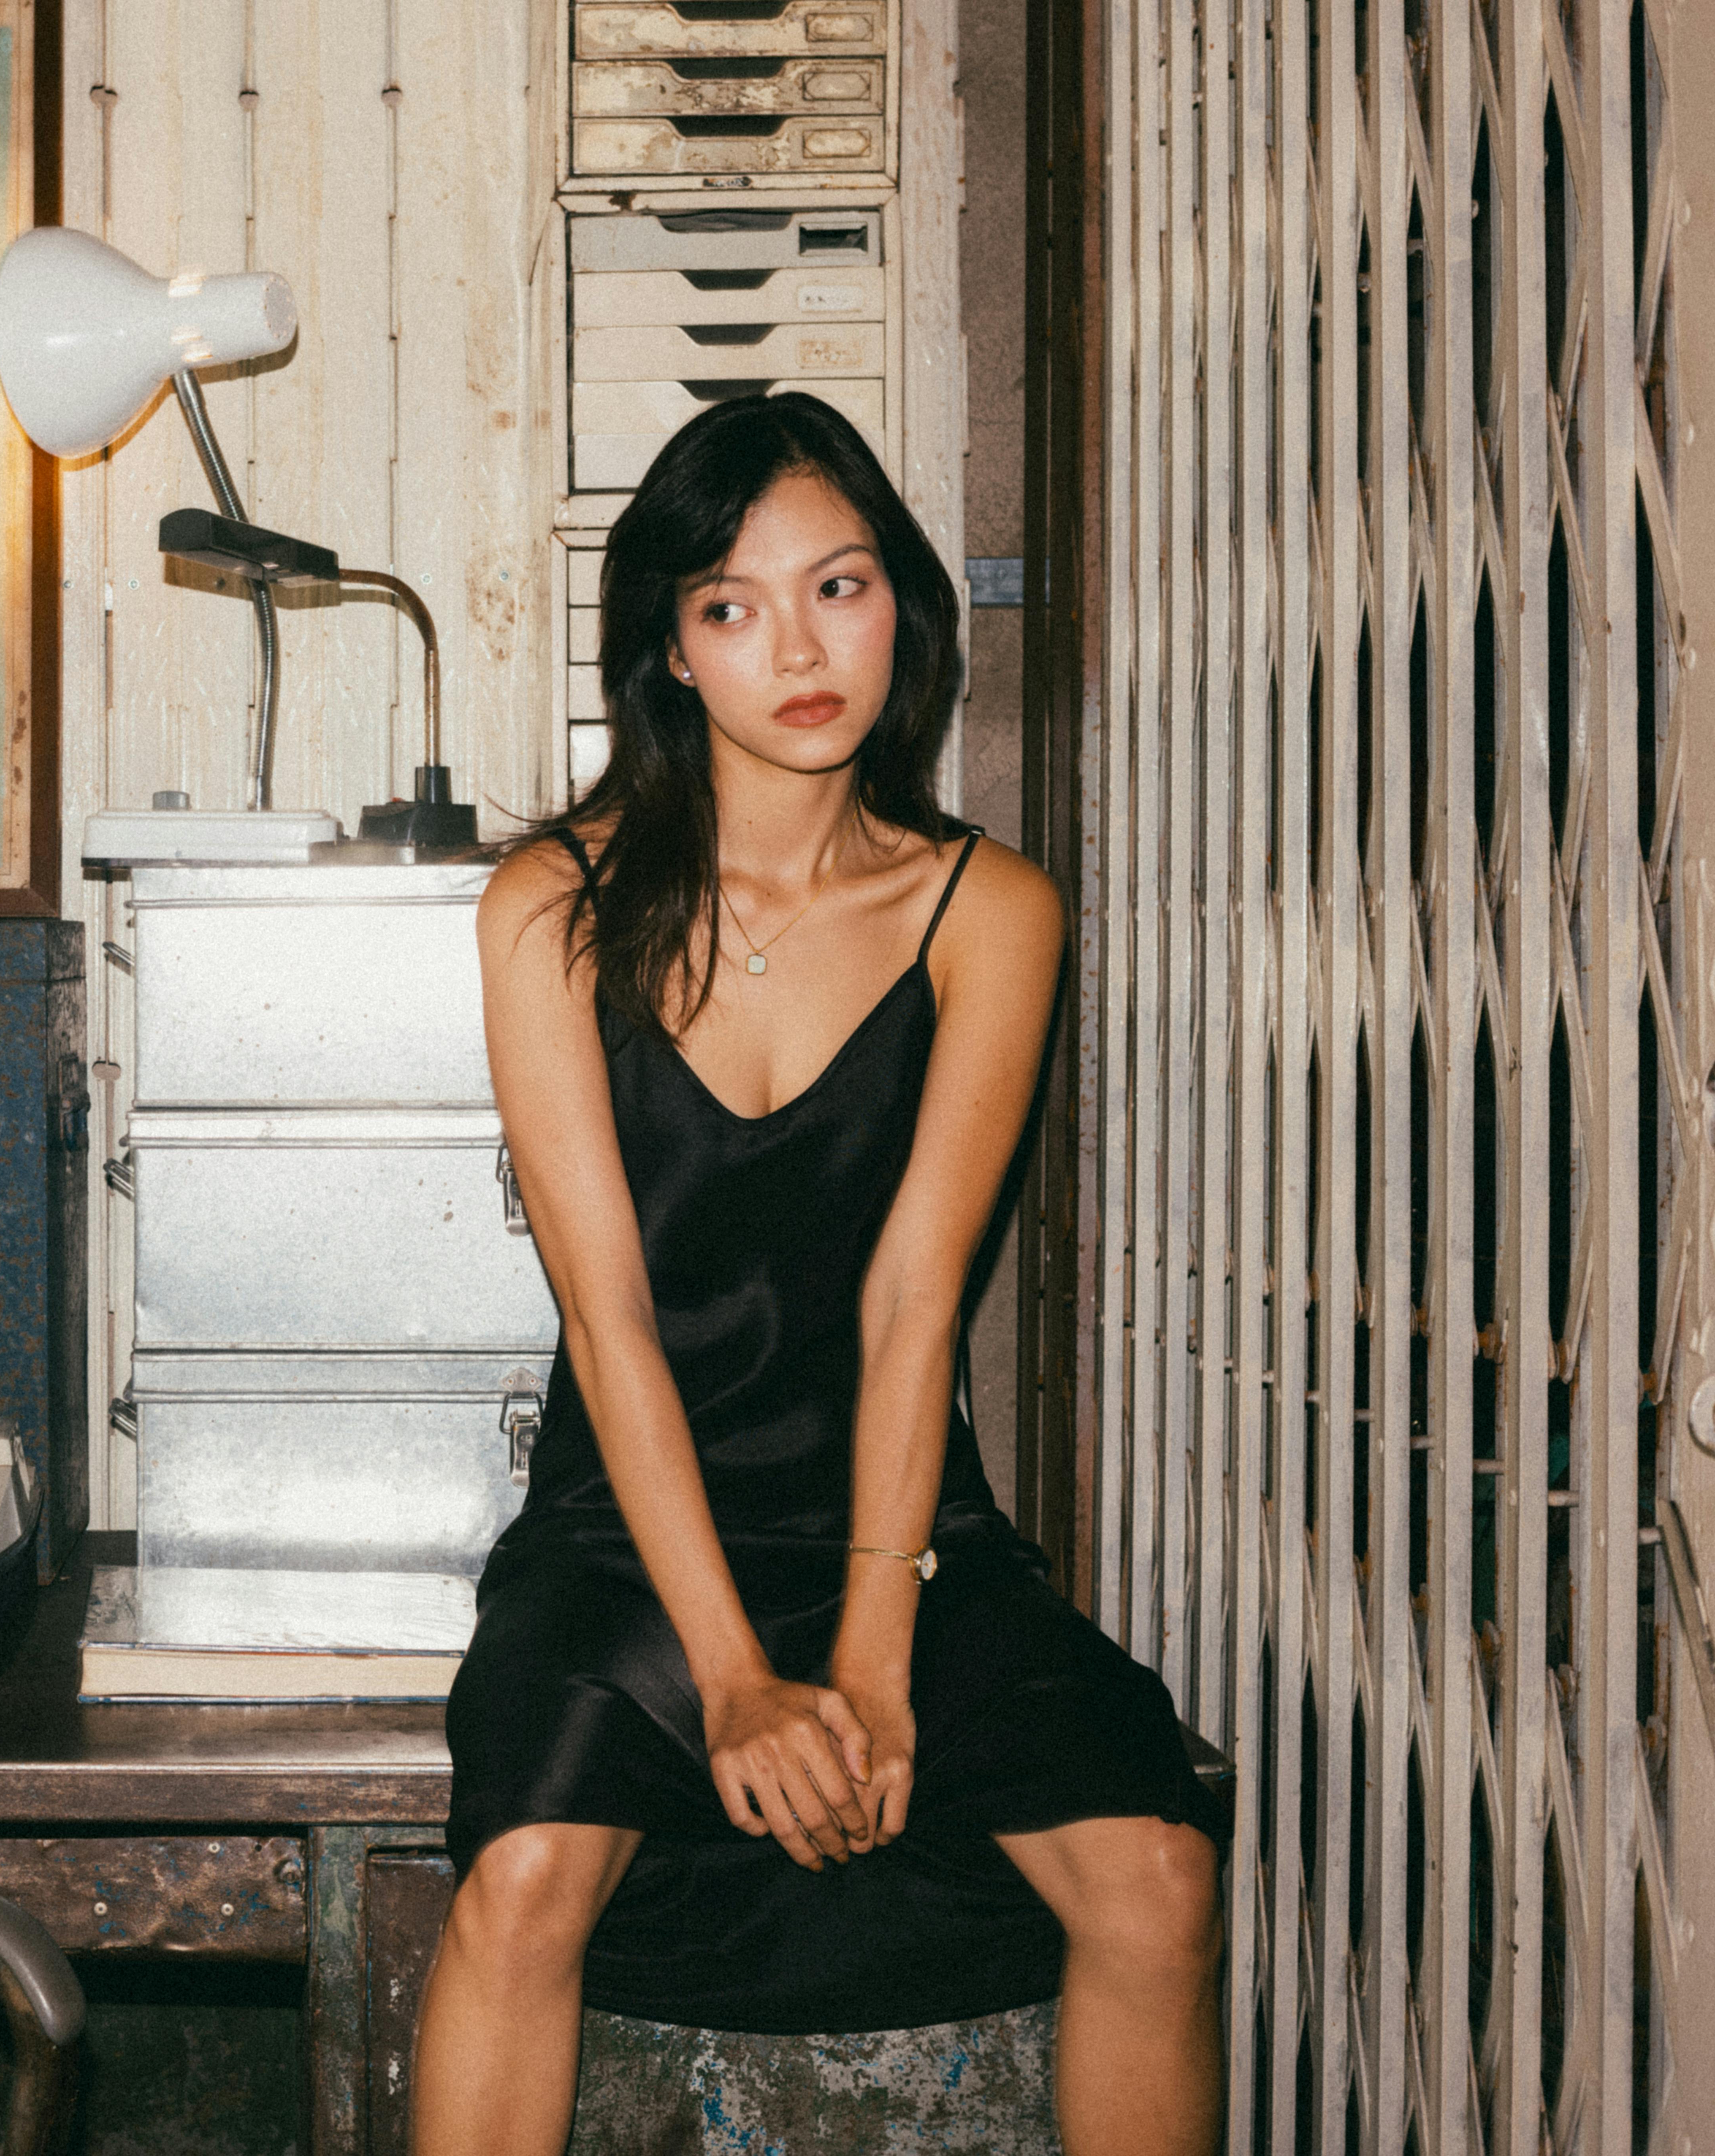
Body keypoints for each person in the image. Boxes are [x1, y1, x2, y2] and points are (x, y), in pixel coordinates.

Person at [411, 394, 1225, 2156]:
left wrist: (865, 1651)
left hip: (901, 1524)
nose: (795, 645)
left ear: (901, 611)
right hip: (627, 1539)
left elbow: (911, 1299)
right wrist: (727, 1673)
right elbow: (608, 1316)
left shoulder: (987, 907)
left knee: (1156, 1873)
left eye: (837, 586)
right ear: (670, 652)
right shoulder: (547, 904)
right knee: (522, 1878)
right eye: (731, 604)